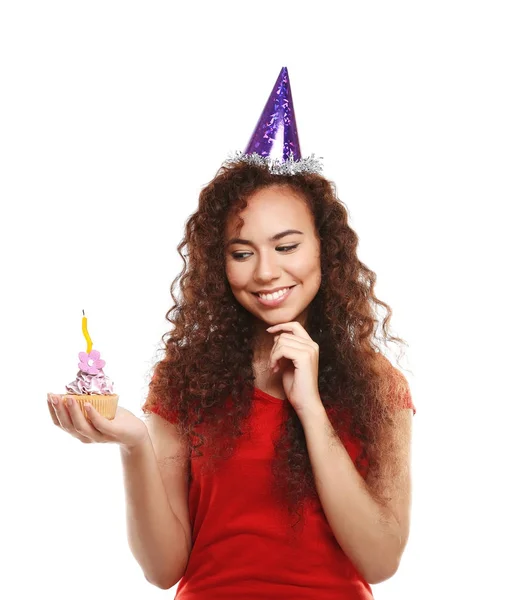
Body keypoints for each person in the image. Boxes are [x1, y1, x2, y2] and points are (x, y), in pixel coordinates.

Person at [48, 67, 415, 599]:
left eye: (286, 246)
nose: (266, 271)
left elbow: (380, 562)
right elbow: (162, 568)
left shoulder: (379, 384)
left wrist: (309, 406)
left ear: (325, 250)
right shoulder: (186, 379)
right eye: (242, 253)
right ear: (218, 265)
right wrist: (134, 446)